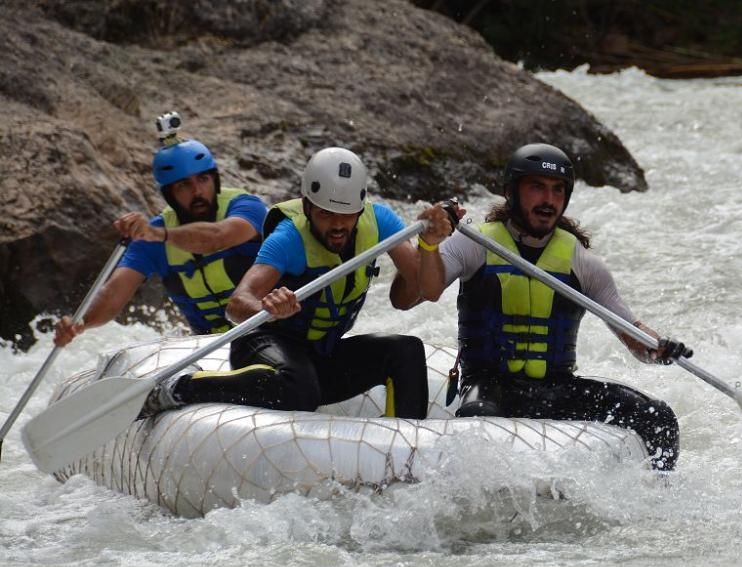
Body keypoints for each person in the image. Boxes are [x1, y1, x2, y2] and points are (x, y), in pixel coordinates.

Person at [416, 143, 693, 471]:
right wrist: (429, 244)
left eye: (558, 190)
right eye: (537, 187)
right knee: (479, 422)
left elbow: (632, 333)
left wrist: (658, 348)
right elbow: (423, 290)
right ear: (511, 192)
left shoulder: (580, 261)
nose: (548, 200)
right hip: (491, 386)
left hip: (557, 389)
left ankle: (657, 503)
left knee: (656, 416)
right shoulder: (474, 243)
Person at [141, 146, 454, 418]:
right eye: (326, 214)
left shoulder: (380, 220)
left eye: (347, 216)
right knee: (300, 389)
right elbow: (237, 304)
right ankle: (184, 388)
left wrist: (429, 244)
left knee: (407, 351)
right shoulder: (289, 237)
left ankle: (408, 454)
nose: (337, 226)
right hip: (265, 347)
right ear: (307, 207)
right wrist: (267, 306)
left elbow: (429, 289)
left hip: (321, 357)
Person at [54, 113, 267, 346]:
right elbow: (114, 292)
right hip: (207, 348)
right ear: (169, 195)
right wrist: (81, 323)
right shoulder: (152, 235)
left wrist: (160, 235)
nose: (197, 192)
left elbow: (218, 238)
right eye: (184, 185)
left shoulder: (246, 207)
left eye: (203, 179)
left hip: (268, 329)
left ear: (214, 180)